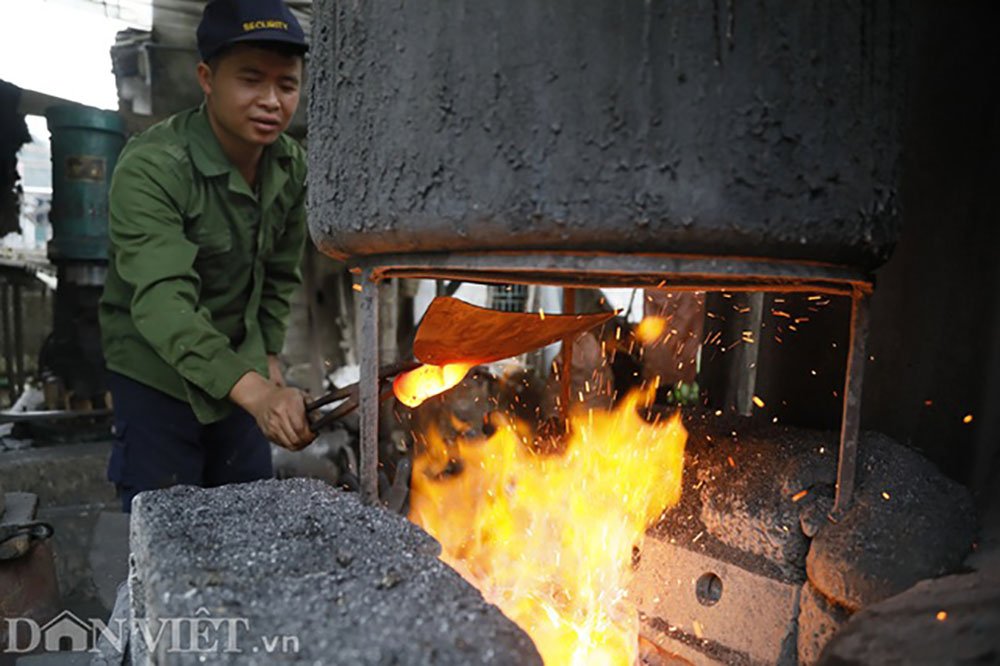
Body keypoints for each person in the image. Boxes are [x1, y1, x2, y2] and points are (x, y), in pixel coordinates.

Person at [99, 0, 315, 513]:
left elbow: (279, 276)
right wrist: (259, 396)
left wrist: (266, 359)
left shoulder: (290, 167)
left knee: (251, 516)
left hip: (238, 368)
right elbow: (163, 305)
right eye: (250, 80)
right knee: (168, 532)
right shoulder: (152, 167)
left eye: (286, 85)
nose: (271, 101)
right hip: (157, 372)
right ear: (206, 77)